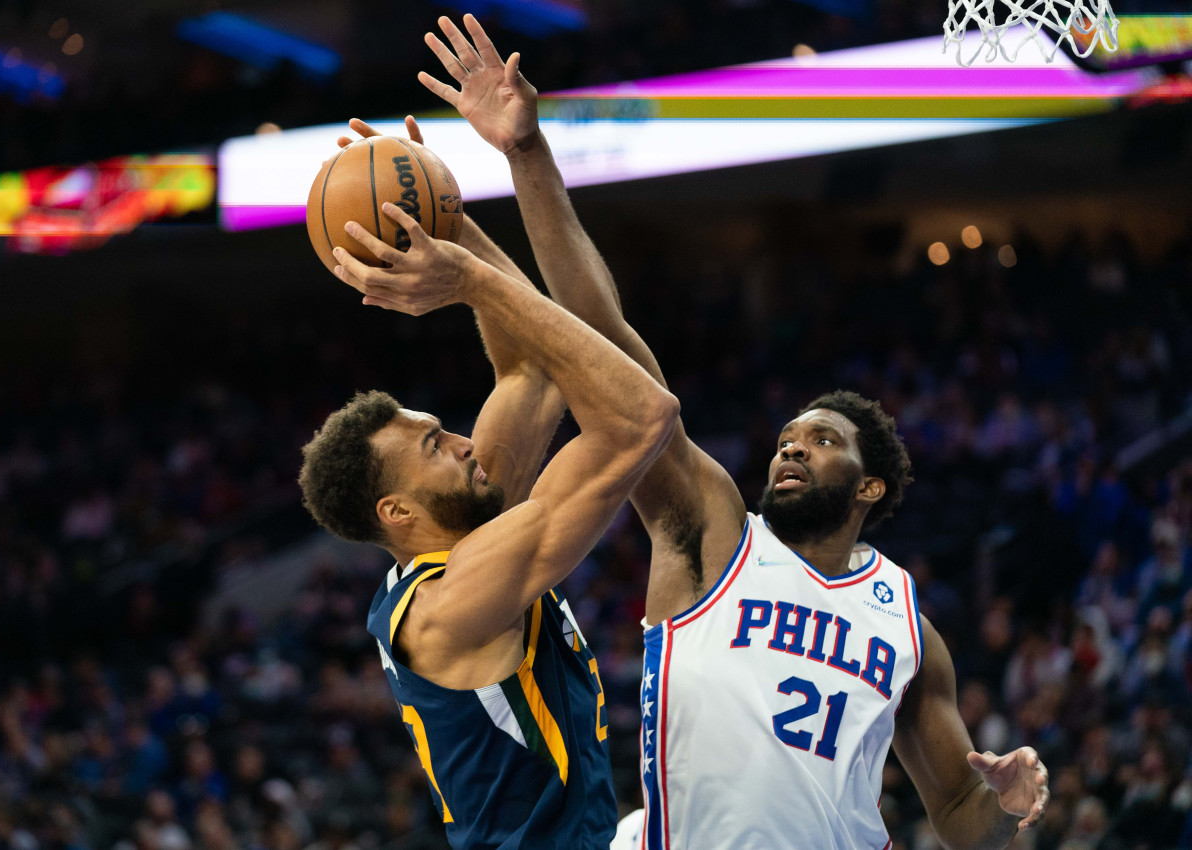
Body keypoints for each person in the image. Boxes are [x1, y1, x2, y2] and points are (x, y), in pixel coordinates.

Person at [407, 14, 1051, 849]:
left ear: (870, 485)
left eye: (821, 440)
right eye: (789, 435)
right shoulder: (712, 533)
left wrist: (1004, 799)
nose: (792, 445)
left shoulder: (908, 625)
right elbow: (604, 339)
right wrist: (527, 155)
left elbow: (963, 824)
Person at [297, 185, 680, 847]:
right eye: (435, 447)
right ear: (396, 510)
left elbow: (530, 367)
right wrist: (469, 279)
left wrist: (445, 222)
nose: (465, 442)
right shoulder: (452, 600)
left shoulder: (466, 534)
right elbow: (642, 418)